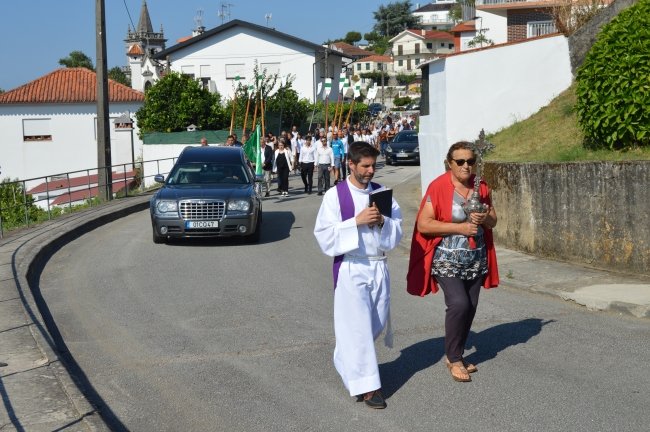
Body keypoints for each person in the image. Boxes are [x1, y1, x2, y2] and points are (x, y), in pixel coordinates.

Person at [314, 141, 403, 409]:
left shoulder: (382, 193)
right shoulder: (335, 196)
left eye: (373, 166)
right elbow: (324, 235)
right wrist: (356, 221)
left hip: (378, 265)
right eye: (365, 166)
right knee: (358, 329)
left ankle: (345, 358)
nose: (370, 171)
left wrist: (383, 221)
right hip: (351, 267)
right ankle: (369, 388)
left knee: (374, 324)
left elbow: (398, 230)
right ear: (350, 164)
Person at [406, 141, 499, 383]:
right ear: (450, 163)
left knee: (471, 306)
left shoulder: (480, 185)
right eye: (460, 161)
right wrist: (460, 228)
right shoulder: (438, 187)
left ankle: (457, 351)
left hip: (475, 257)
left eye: (470, 161)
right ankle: (454, 358)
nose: (466, 166)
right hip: (446, 257)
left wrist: (484, 216)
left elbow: (493, 221)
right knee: (459, 303)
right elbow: (424, 224)